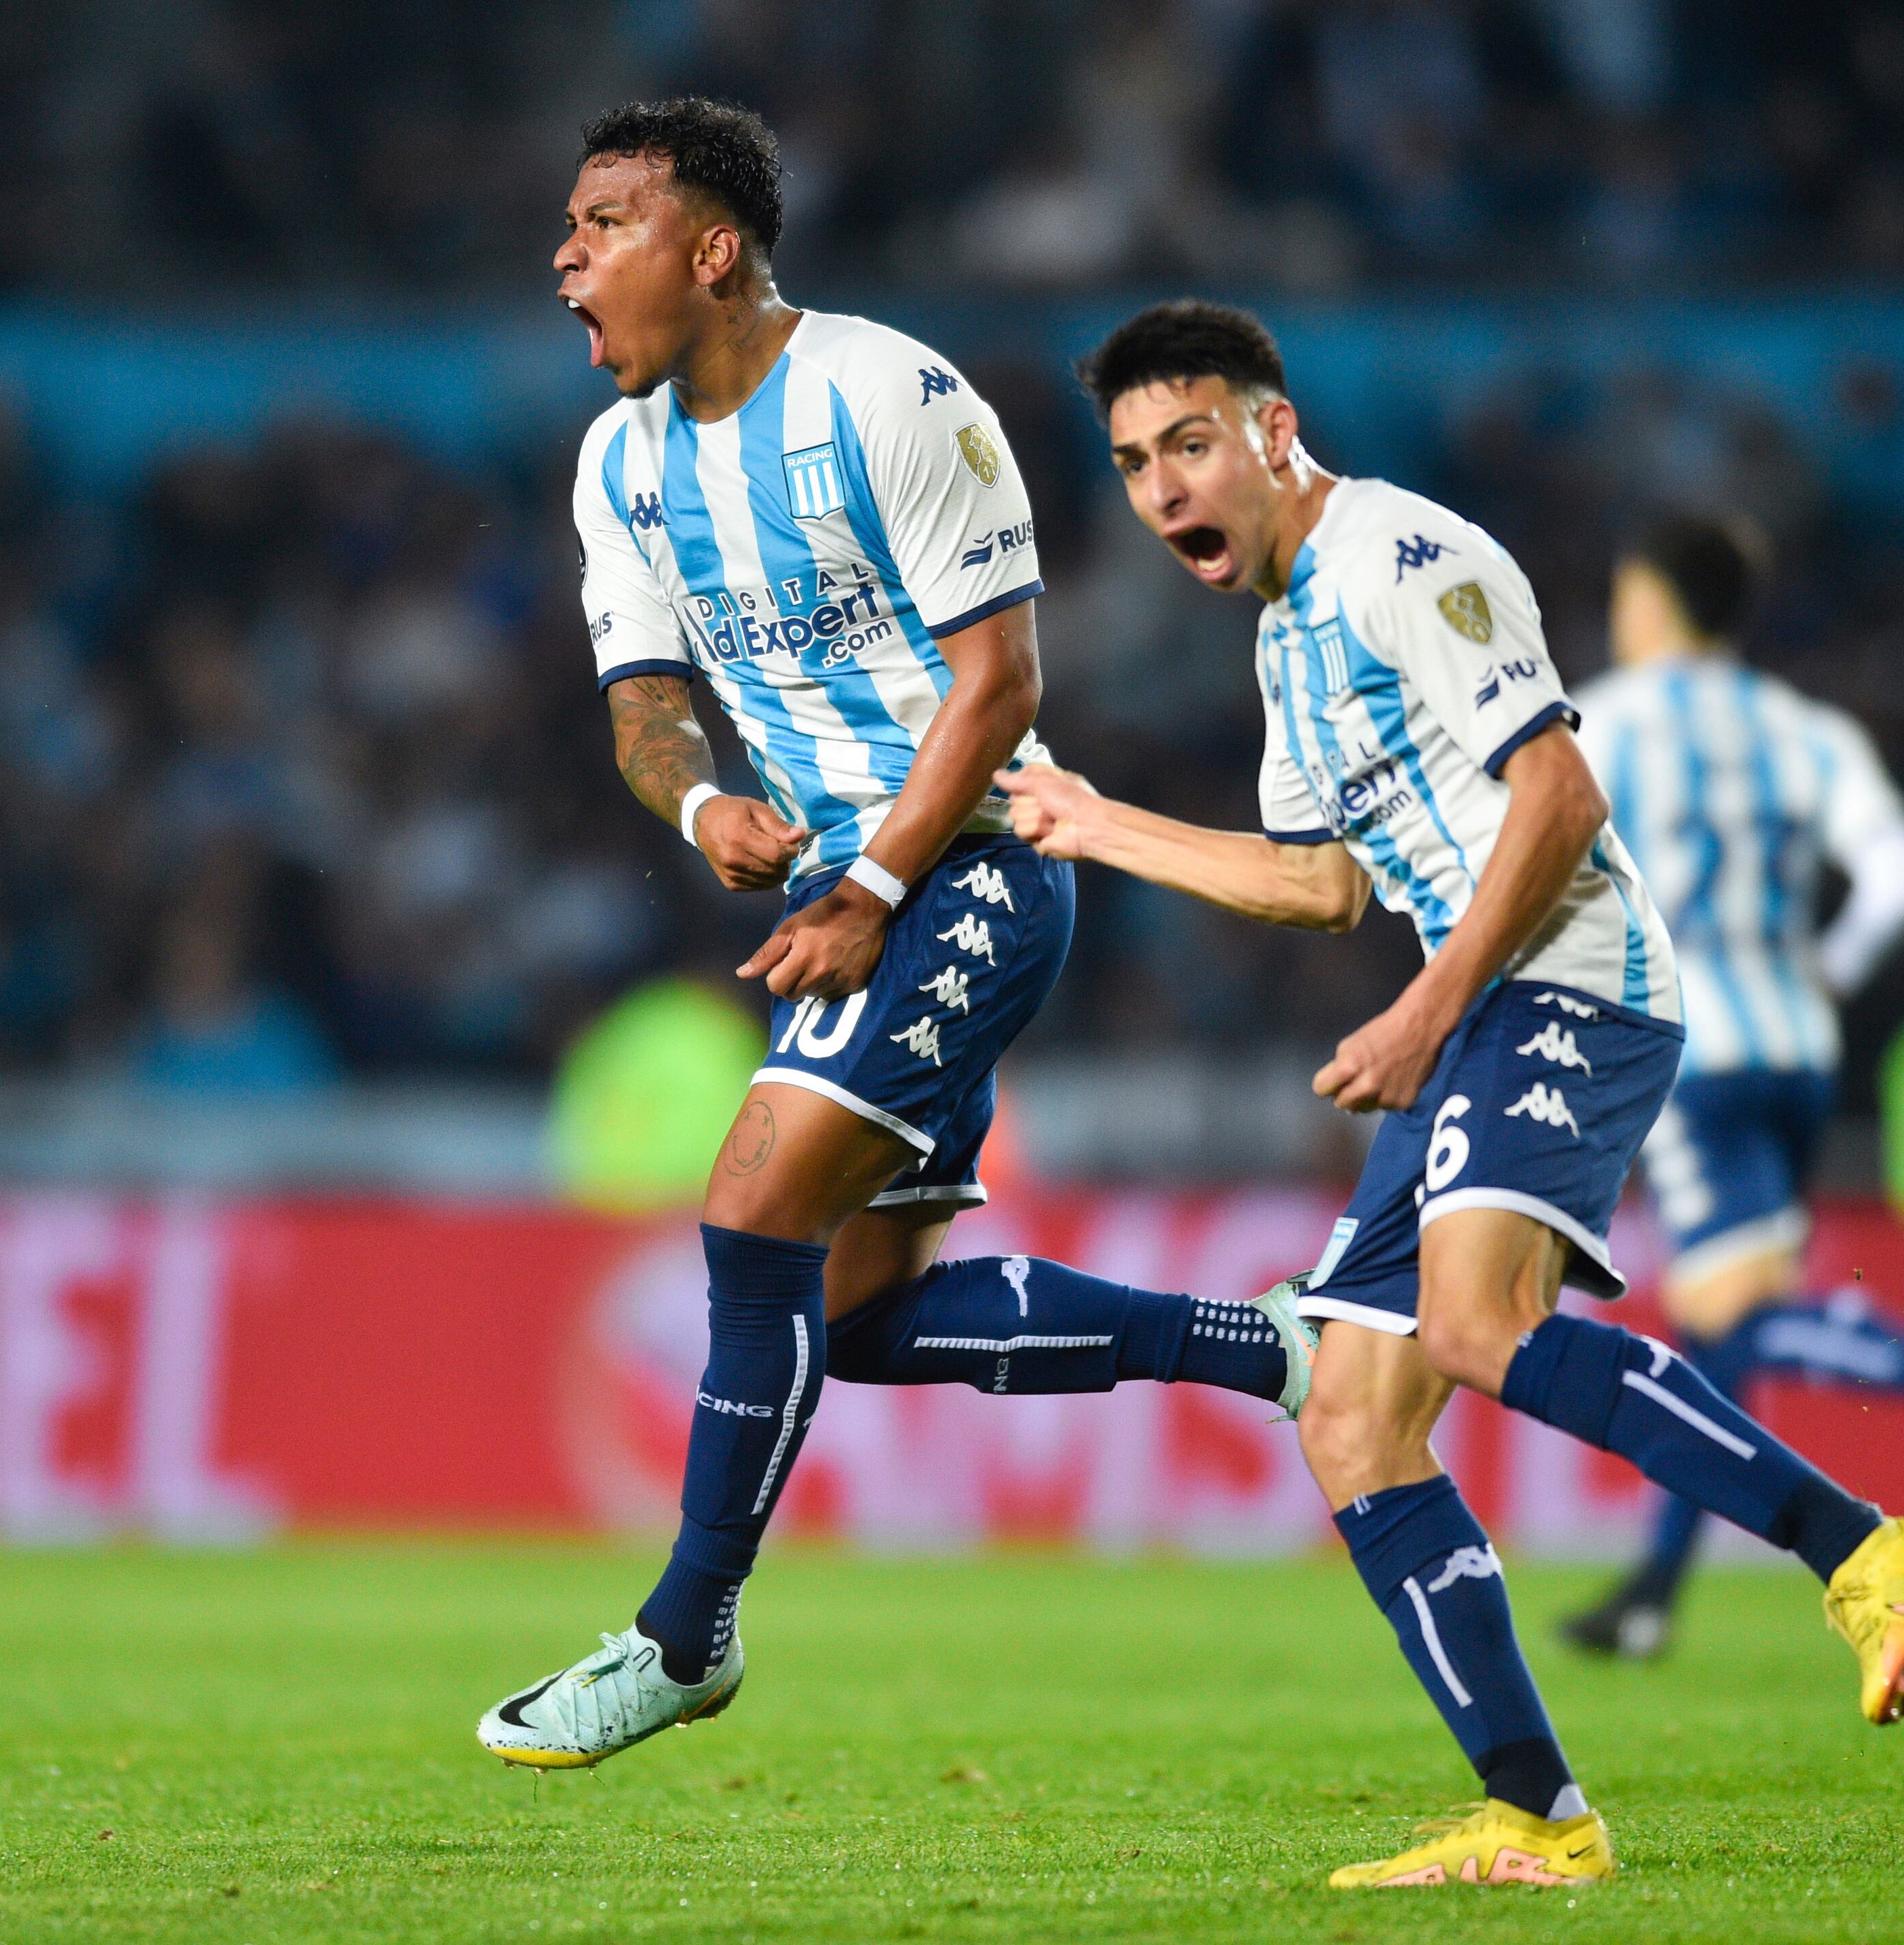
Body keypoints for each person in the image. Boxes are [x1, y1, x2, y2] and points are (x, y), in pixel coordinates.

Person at [1000, 302, 1904, 1893]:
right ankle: (1539, 1813)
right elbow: (1320, 882)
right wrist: (1097, 824)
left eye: (1189, 443)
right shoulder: (1285, 635)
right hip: (1469, 1014)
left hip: (1565, 980)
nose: (1165, 489)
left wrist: (1424, 1005)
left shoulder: (1403, 562)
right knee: (1351, 1418)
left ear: (1273, 430)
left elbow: (1559, 790)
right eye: (1131, 465)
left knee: (1468, 1325)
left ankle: (1867, 1549)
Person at [476, 105, 1313, 1772]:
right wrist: (700, 808)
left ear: (711, 248)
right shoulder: (619, 462)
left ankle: (683, 1637)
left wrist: (870, 887)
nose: (566, 254)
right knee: (849, 1320)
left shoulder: (892, 397)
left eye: (604, 221)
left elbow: (1001, 684)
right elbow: (644, 699)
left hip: (978, 860)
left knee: (750, 1203)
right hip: (834, 892)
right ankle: (1271, 1344)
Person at [1561, 516, 1904, 1660]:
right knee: (1715, 1339)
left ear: (1647, 599)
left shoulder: (1605, 721)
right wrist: (1823, 970)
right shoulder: (1808, 728)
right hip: (1797, 1048)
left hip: (1689, 1050)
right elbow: (1903, 873)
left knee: (1731, 1315)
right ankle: (1650, 1596)